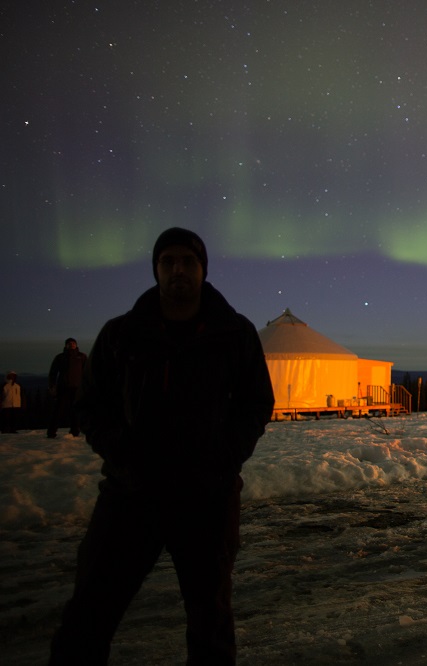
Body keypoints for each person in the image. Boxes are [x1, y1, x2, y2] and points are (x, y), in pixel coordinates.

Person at [49, 227, 275, 664]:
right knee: (89, 612)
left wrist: (224, 457)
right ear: (156, 269)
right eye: (168, 260)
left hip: (207, 497)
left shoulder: (234, 333)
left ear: (203, 270)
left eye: (188, 261)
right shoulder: (123, 334)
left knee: (210, 621)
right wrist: (123, 454)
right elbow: (91, 405)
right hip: (132, 492)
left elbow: (256, 403)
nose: (178, 269)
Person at [47, 337, 87, 437]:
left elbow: (87, 372)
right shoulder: (60, 357)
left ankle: (75, 431)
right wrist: (52, 385)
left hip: (77, 388)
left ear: (76, 345)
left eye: (73, 343)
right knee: (58, 410)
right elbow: (53, 372)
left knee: (75, 411)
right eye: (69, 344)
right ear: (66, 345)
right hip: (63, 388)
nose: (71, 345)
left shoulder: (82, 357)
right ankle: (51, 432)